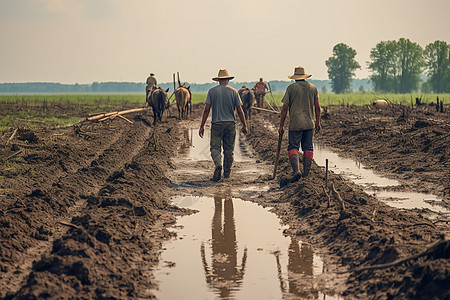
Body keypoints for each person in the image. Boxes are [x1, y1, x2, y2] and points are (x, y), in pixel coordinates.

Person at [199, 69, 248, 182]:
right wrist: (244, 125)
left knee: (215, 148)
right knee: (229, 150)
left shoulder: (212, 91)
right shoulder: (234, 91)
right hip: (230, 124)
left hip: (216, 124)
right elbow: (240, 110)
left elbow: (207, 110)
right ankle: (226, 173)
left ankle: (217, 164)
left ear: (218, 80)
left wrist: (202, 126)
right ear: (228, 80)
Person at [278, 66, 321, 182]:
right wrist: (317, 122)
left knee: (293, 147)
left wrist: (281, 125)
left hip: (295, 124)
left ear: (295, 78)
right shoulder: (313, 88)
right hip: (309, 123)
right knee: (308, 147)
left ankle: (296, 171)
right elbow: (318, 108)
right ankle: (306, 175)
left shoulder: (291, 88)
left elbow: (284, 108)